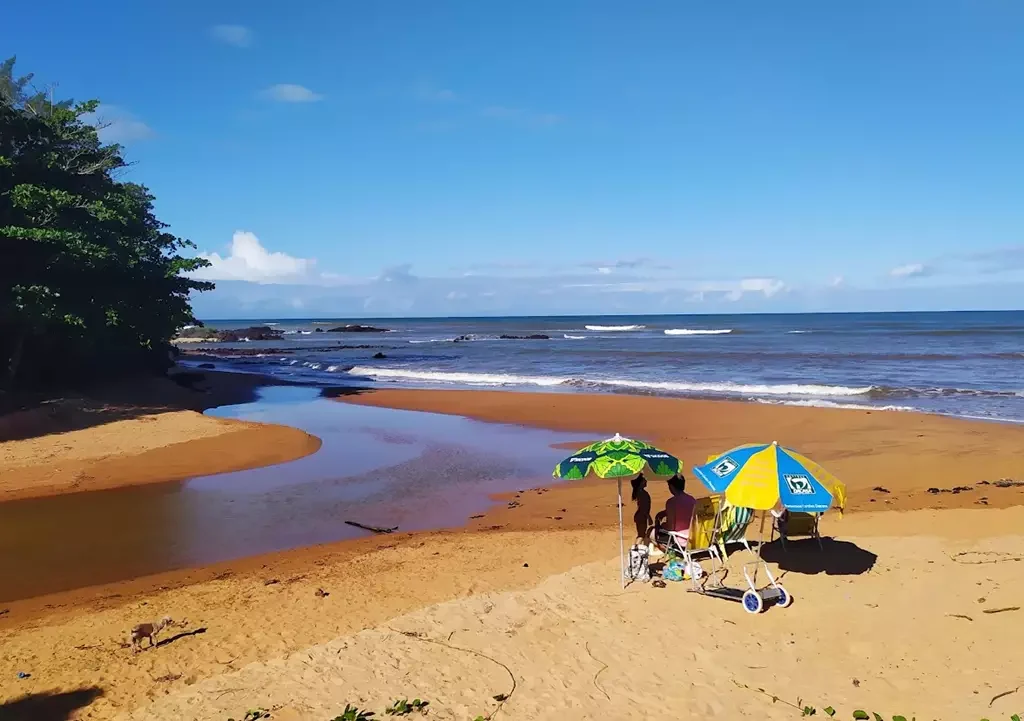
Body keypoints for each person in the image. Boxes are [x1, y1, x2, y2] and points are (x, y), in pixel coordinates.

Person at [654, 474, 696, 547]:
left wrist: (660, 526)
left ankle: (672, 552)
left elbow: (670, 528)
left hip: (680, 540)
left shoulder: (671, 502)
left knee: (651, 532)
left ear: (671, 487)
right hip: (694, 537)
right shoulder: (692, 500)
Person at [631, 474, 652, 544]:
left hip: (641, 516)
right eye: (644, 480)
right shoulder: (642, 493)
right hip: (642, 516)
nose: (646, 481)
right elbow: (644, 507)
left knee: (642, 534)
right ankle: (635, 549)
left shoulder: (640, 492)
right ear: (640, 483)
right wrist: (648, 516)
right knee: (641, 535)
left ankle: (639, 548)